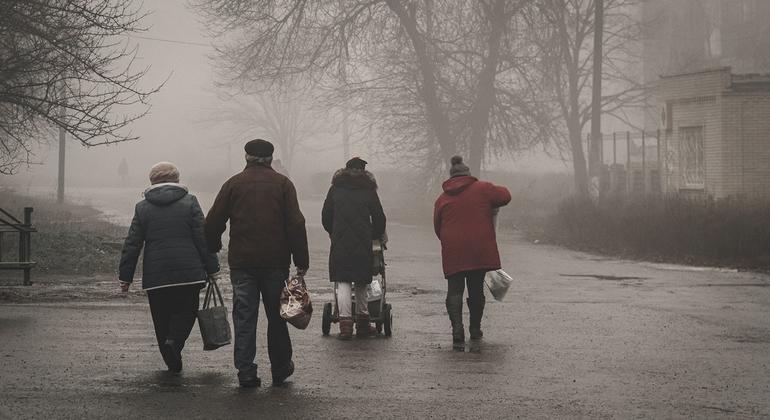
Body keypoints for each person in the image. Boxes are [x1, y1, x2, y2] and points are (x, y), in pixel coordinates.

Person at [205, 139, 309, 388]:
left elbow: (212, 221)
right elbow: (295, 223)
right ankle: (281, 367)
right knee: (277, 316)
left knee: (244, 316)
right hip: (275, 262)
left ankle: (246, 371)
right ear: (271, 159)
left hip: (242, 263)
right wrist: (301, 261)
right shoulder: (283, 185)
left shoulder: (233, 184)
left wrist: (213, 246)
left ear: (246, 158)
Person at [118, 162, 220, 373]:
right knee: (187, 312)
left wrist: (125, 276)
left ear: (152, 181)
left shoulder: (142, 207)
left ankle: (171, 359)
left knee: (161, 317)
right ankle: (175, 342)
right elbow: (202, 237)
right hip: (188, 272)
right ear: (176, 179)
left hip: (157, 276)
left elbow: (133, 243)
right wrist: (212, 268)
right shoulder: (190, 202)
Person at [433, 155, 511, 344]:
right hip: (478, 248)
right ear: (468, 174)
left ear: (451, 177)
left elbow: (437, 227)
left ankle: (457, 331)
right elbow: (506, 196)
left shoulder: (442, 199)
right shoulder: (483, 189)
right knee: (476, 290)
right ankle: (475, 330)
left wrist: (450, 241)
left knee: (454, 290)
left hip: (453, 249)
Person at [321, 157, 386, 339]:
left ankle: (345, 326)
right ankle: (363, 323)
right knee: (361, 282)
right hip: (362, 242)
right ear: (363, 172)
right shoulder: (369, 191)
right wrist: (373, 234)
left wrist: (333, 232)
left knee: (342, 282)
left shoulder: (335, 189)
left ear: (346, 170)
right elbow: (380, 218)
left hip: (340, 242)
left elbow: (326, 216)